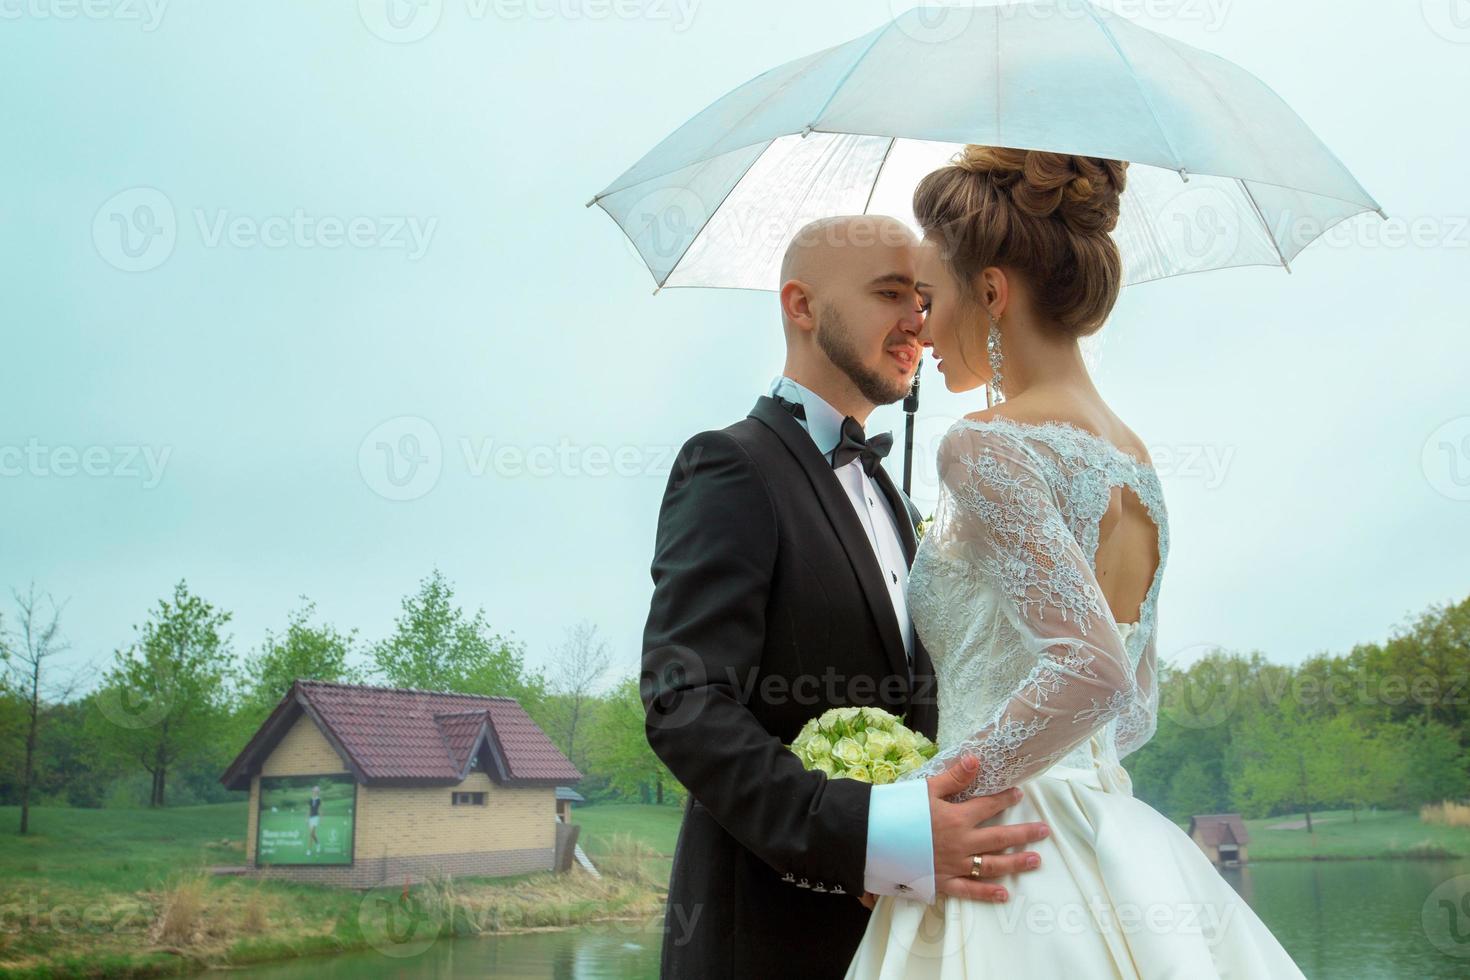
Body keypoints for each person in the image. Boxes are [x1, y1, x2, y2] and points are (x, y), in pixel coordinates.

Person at [843, 146, 1306, 978]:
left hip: (1006, 849)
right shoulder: (1136, 463)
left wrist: (922, 807)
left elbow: (1093, 669)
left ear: (990, 292)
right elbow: (1133, 711)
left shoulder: (984, 446)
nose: (921, 325)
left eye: (931, 295)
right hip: (1111, 829)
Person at [641, 214, 1053, 979]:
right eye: (890, 295)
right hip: (764, 941)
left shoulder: (895, 501)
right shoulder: (729, 465)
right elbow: (685, 703)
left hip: (904, 944)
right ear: (800, 305)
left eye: (924, 300)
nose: (918, 325)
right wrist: (870, 837)